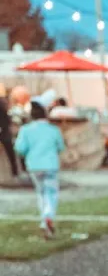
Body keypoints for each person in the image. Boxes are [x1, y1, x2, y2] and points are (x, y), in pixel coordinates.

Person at [14, 102, 65, 239]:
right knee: (52, 192)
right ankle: (48, 216)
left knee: (41, 192)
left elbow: (19, 148)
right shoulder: (53, 130)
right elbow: (60, 146)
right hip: (51, 165)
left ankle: (44, 220)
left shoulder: (26, 130)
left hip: (34, 165)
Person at [0, 84, 19, 178]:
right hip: (5, 131)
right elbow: (8, 118)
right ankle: (14, 171)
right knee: (10, 152)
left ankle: (14, 171)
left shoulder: (3, 102)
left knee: (10, 151)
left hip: (4, 130)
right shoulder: (4, 102)